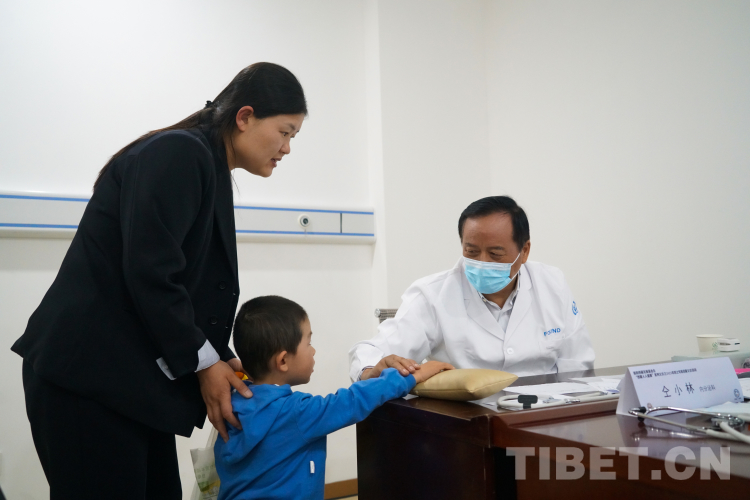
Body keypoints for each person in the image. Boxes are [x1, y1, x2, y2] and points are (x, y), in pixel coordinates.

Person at [11, 62, 307, 499]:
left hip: (128, 384)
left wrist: (219, 357)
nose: (286, 148)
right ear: (245, 117)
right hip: (88, 379)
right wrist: (203, 363)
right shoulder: (180, 153)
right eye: (284, 132)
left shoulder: (206, 165)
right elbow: (151, 273)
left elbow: (184, 287)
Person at [215, 295, 453, 500]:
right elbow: (352, 401)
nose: (313, 350)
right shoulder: (296, 413)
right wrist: (411, 376)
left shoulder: (229, 403)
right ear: (283, 360)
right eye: (309, 342)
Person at [349, 195, 595, 383]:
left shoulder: (552, 284)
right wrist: (372, 370)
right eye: (472, 251)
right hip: (466, 420)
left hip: (542, 416)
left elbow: (578, 365)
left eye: (495, 253)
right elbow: (370, 352)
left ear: (525, 251)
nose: (482, 262)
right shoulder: (433, 294)